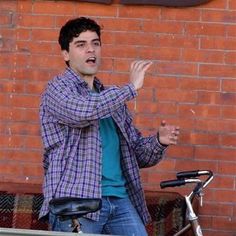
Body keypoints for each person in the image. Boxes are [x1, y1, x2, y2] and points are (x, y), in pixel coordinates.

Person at [39, 17, 180, 235]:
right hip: (78, 204)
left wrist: (159, 141)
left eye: (95, 43)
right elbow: (84, 111)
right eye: (81, 44)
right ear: (65, 54)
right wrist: (131, 87)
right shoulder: (57, 89)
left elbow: (137, 154)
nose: (90, 50)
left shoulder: (110, 100)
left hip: (120, 200)